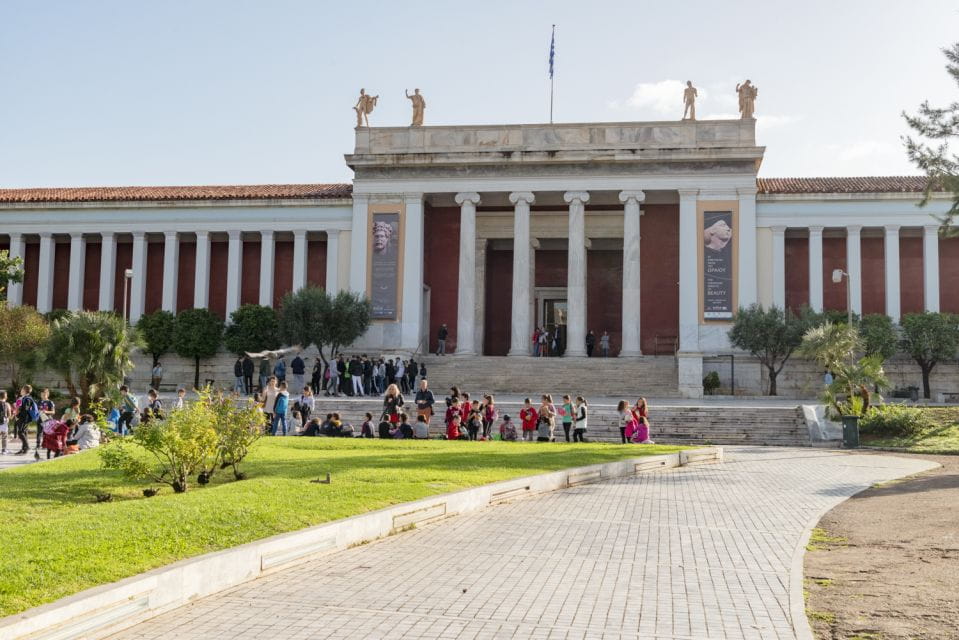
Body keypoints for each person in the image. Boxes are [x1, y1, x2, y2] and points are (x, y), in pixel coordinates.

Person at [13, 385, 38, 455]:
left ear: (24, 390)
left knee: (20, 432)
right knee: (24, 432)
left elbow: (25, 409)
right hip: (23, 417)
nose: (20, 391)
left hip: (25, 418)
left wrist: (18, 413)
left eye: (21, 389)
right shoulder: (23, 398)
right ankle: (24, 449)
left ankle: (26, 446)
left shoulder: (28, 399)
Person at [0, 390, 11, 455]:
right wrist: (8, 418)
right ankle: (4, 450)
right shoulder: (7, 404)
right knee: (4, 437)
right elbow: (9, 415)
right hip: (4, 424)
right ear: (6, 397)